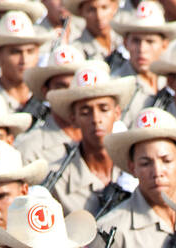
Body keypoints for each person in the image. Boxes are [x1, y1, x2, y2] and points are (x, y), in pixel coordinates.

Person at [89, 106, 176, 248]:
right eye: (145, 163)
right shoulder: (111, 230)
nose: (157, 171)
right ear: (132, 167)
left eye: (166, 160)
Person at [45, 61, 136, 213]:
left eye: (104, 109)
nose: (96, 119)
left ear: (117, 113)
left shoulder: (139, 167)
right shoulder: (57, 181)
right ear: (73, 118)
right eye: (85, 112)